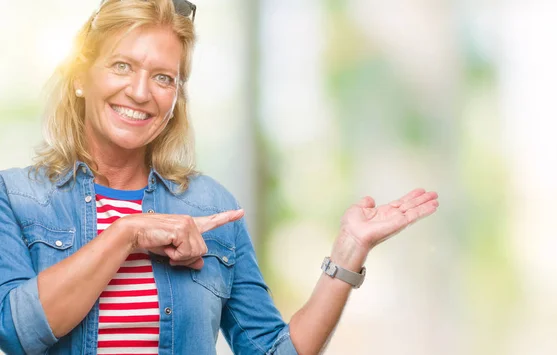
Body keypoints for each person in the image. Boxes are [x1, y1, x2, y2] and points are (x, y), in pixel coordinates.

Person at [0, 0, 439, 354]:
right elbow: (17, 333)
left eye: (163, 78)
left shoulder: (209, 206)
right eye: (121, 66)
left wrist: (348, 253)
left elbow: (273, 351)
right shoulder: (18, 197)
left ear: (176, 98)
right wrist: (128, 232)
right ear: (80, 76)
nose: (139, 92)